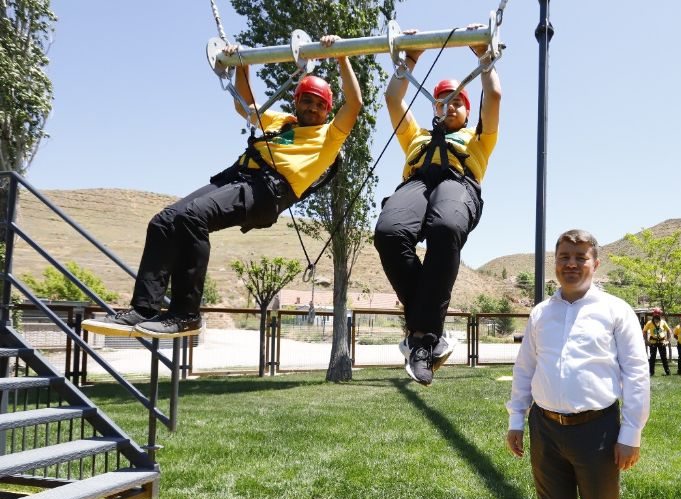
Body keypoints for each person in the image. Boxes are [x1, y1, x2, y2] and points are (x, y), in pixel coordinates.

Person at [85, 37, 361, 337]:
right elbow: (245, 106)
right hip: (239, 175)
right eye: (307, 100)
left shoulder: (330, 136)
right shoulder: (281, 120)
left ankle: (185, 314)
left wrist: (341, 57)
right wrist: (242, 63)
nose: (313, 108)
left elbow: (355, 103)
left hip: (268, 190)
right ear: (296, 100)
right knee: (164, 222)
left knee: (192, 218)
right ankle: (143, 309)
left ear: (328, 110)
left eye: (320, 105)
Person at [506, 229, 650, 499]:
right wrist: (517, 419)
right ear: (555, 263)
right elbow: (525, 369)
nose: (571, 264)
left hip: (597, 431)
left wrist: (631, 433)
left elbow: (637, 375)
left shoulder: (616, 311)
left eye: (580, 257)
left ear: (595, 263)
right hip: (546, 430)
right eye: (564, 257)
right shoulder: (541, 313)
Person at [374, 24, 501, 386]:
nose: (450, 105)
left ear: (465, 109)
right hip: (416, 184)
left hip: (458, 184)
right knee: (388, 233)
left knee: (445, 228)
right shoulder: (417, 136)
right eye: (443, 99)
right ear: (434, 106)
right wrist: (410, 58)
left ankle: (423, 340)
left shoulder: (477, 138)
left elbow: (493, 98)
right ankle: (427, 331)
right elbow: (394, 99)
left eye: (458, 100)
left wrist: (484, 60)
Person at [642, 308, 671, 376]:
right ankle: (651, 373)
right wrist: (646, 340)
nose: (656, 318)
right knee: (652, 358)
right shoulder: (649, 323)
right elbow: (644, 331)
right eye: (655, 316)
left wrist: (667, 341)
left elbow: (669, 331)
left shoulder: (663, 322)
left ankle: (667, 372)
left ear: (660, 316)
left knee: (664, 358)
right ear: (653, 316)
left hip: (662, 342)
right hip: (653, 342)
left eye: (658, 316)